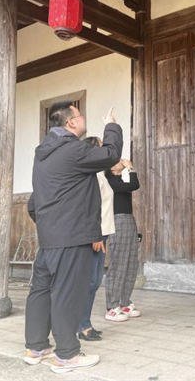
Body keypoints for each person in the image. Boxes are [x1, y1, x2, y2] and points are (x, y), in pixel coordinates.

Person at [25, 103, 122, 373]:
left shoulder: (42, 155)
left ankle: (36, 348)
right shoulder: (73, 149)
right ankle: (66, 355)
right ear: (70, 123)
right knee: (67, 293)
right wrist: (112, 125)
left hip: (49, 238)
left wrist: (50, 225)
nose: (83, 119)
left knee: (41, 291)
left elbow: (33, 204)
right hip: (70, 236)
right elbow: (111, 154)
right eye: (80, 116)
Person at [76, 137, 116, 342]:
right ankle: (82, 326)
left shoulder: (100, 174)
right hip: (96, 234)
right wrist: (95, 235)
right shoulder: (91, 176)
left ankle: (85, 323)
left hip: (103, 232)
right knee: (90, 281)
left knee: (94, 281)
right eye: (101, 146)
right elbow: (90, 207)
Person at [103, 158, 142, 322]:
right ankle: (111, 307)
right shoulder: (109, 181)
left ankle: (125, 302)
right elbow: (134, 184)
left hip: (128, 220)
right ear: (111, 168)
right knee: (118, 263)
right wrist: (131, 168)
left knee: (131, 263)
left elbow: (131, 185)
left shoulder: (119, 180)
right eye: (116, 161)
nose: (121, 161)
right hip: (117, 221)